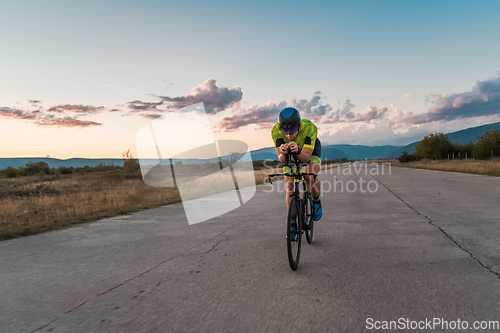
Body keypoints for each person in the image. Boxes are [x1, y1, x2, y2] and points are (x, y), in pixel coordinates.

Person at [271, 107, 322, 240]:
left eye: (292, 130)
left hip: (309, 152)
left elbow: (305, 158)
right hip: (290, 156)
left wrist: (298, 151)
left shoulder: (310, 128)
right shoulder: (275, 131)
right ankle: (292, 225)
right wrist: (283, 153)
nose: (288, 135)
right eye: (285, 131)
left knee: (308, 176)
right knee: (289, 186)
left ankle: (316, 201)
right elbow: (281, 160)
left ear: (298, 126)